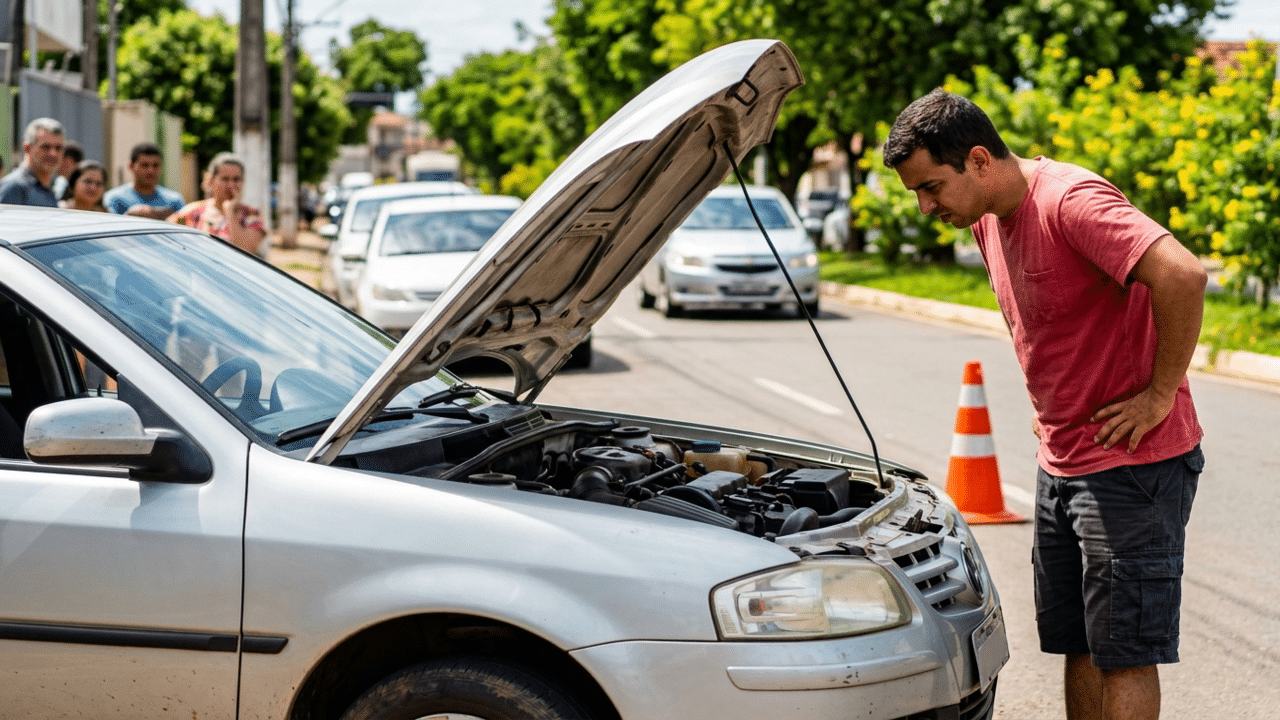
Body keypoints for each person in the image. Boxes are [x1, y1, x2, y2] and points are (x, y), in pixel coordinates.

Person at [883, 89, 1207, 720]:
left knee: (1125, 654)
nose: (925, 207)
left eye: (931, 187)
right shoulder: (983, 216)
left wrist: (1160, 393)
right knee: (1077, 645)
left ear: (979, 161)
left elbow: (1183, 275)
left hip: (1130, 469)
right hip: (1061, 463)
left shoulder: (1069, 201)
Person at [168, 152, 266, 253]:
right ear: (212, 181)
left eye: (236, 179)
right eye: (225, 179)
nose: (231, 185)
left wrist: (230, 212)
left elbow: (246, 249)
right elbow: (164, 234)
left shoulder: (252, 214)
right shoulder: (193, 212)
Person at [103, 142, 186, 219]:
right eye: (145, 165)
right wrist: (129, 216)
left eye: (155, 165)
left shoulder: (174, 201)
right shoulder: (114, 199)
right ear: (131, 166)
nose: (151, 171)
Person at [0, 118, 66, 207]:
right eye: (45, 147)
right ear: (27, 148)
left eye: (58, 148)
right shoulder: (14, 187)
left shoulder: (51, 187)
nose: (53, 154)